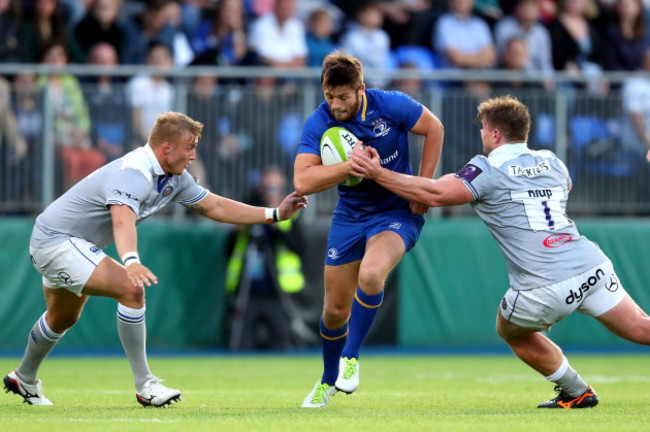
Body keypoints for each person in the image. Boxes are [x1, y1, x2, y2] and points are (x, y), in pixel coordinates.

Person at [349, 95, 650, 409]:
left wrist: (377, 173)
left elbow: (436, 193)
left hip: (544, 285)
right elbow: (565, 188)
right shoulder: (552, 160)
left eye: (483, 130)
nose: (481, 135)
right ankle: (576, 392)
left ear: (495, 134)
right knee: (642, 326)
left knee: (509, 328)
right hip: (591, 266)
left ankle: (577, 390)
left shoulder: (487, 168)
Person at [3, 111, 308, 407]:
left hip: (64, 243)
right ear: (166, 147)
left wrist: (274, 214)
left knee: (62, 318)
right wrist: (132, 261)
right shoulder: (136, 172)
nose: (192, 156)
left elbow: (215, 206)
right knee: (131, 288)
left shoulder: (175, 177)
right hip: (56, 241)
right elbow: (122, 221)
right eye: (189, 148)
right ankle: (145, 384)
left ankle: (24, 377)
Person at [294, 51, 444, 408]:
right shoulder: (320, 121)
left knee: (373, 273)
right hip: (349, 215)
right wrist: (350, 166)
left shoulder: (390, 105)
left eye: (343, 97)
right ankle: (327, 381)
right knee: (333, 311)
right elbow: (302, 179)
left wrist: (423, 185)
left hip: (396, 210)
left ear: (360, 89)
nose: (335, 104)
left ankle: (351, 358)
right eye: (329, 96)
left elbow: (434, 128)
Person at [225, 167, 312, 351]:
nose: (269, 193)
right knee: (242, 343)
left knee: (282, 341)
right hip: (248, 292)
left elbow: (299, 248)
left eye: (274, 188)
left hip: (279, 293)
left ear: (282, 190)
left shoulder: (290, 217)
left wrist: (276, 222)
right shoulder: (250, 214)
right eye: (266, 188)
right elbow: (230, 248)